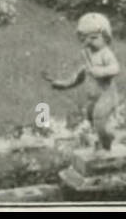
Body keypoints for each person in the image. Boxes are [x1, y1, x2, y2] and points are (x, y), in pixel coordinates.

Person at [43, 13, 121, 150]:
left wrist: (100, 72)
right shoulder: (89, 55)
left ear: (106, 36)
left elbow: (115, 68)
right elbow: (80, 76)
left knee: (99, 121)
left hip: (106, 96)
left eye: (94, 38)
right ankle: (102, 140)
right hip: (93, 98)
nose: (90, 41)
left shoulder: (105, 53)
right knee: (90, 117)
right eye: (85, 38)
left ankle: (107, 147)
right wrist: (62, 84)